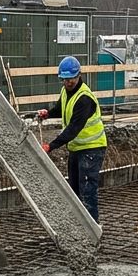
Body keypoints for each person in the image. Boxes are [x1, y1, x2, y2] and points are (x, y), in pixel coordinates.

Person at [38, 56, 106, 222]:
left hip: (92, 149)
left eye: (71, 79)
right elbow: (61, 108)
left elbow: (73, 129)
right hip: (76, 149)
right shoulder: (66, 91)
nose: (68, 83)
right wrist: (48, 113)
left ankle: (93, 229)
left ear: (79, 75)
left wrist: (51, 146)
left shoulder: (84, 99)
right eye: (65, 79)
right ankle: (78, 227)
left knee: (87, 192)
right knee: (74, 190)